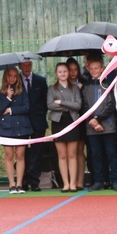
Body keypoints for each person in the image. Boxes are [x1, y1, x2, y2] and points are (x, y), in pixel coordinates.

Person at [82, 57, 117, 191]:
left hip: (108, 126)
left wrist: (98, 119)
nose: (94, 71)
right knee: (95, 154)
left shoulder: (109, 84)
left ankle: (115, 180)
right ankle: (98, 180)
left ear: (102, 69)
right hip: (91, 127)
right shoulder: (86, 86)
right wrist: (92, 121)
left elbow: (111, 105)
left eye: (96, 68)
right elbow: (85, 106)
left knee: (111, 153)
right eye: (91, 68)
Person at [0, 66, 32, 194]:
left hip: (22, 128)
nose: (12, 78)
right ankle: (11, 184)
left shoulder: (22, 92)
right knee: (9, 155)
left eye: (15, 76)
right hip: (7, 129)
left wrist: (11, 110)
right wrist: (8, 98)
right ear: (6, 77)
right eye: (10, 75)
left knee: (20, 155)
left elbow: (26, 107)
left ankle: (19, 184)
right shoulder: (0, 94)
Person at [47, 62, 82, 192]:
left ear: (68, 73)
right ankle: (65, 183)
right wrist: (69, 105)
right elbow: (50, 105)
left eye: (65, 71)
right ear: (56, 73)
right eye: (60, 72)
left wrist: (61, 102)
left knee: (72, 154)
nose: (62, 74)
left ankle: (73, 183)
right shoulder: (51, 88)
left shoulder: (75, 88)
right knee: (62, 155)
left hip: (72, 121)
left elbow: (78, 105)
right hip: (58, 122)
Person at [19, 60, 48, 192]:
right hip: (22, 122)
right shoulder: (16, 80)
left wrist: (40, 116)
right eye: (24, 65)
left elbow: (45, 101)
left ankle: (35, 182)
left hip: (38, 122)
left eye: (29, 65)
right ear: (20, 66)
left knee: (37, 152)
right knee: (22, 152)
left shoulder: (40, 81)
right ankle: (23, 181)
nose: (27, 68)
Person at [66, 57, 87, 190]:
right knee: (70, 152)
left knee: (80, 150)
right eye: (70, 70)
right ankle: (69, 181)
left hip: (83, 119)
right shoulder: (62, 84)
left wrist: (81, 88)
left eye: (75, 70)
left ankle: (80, 180)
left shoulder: (84, 82)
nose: (73, 73)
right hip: (69, 120)